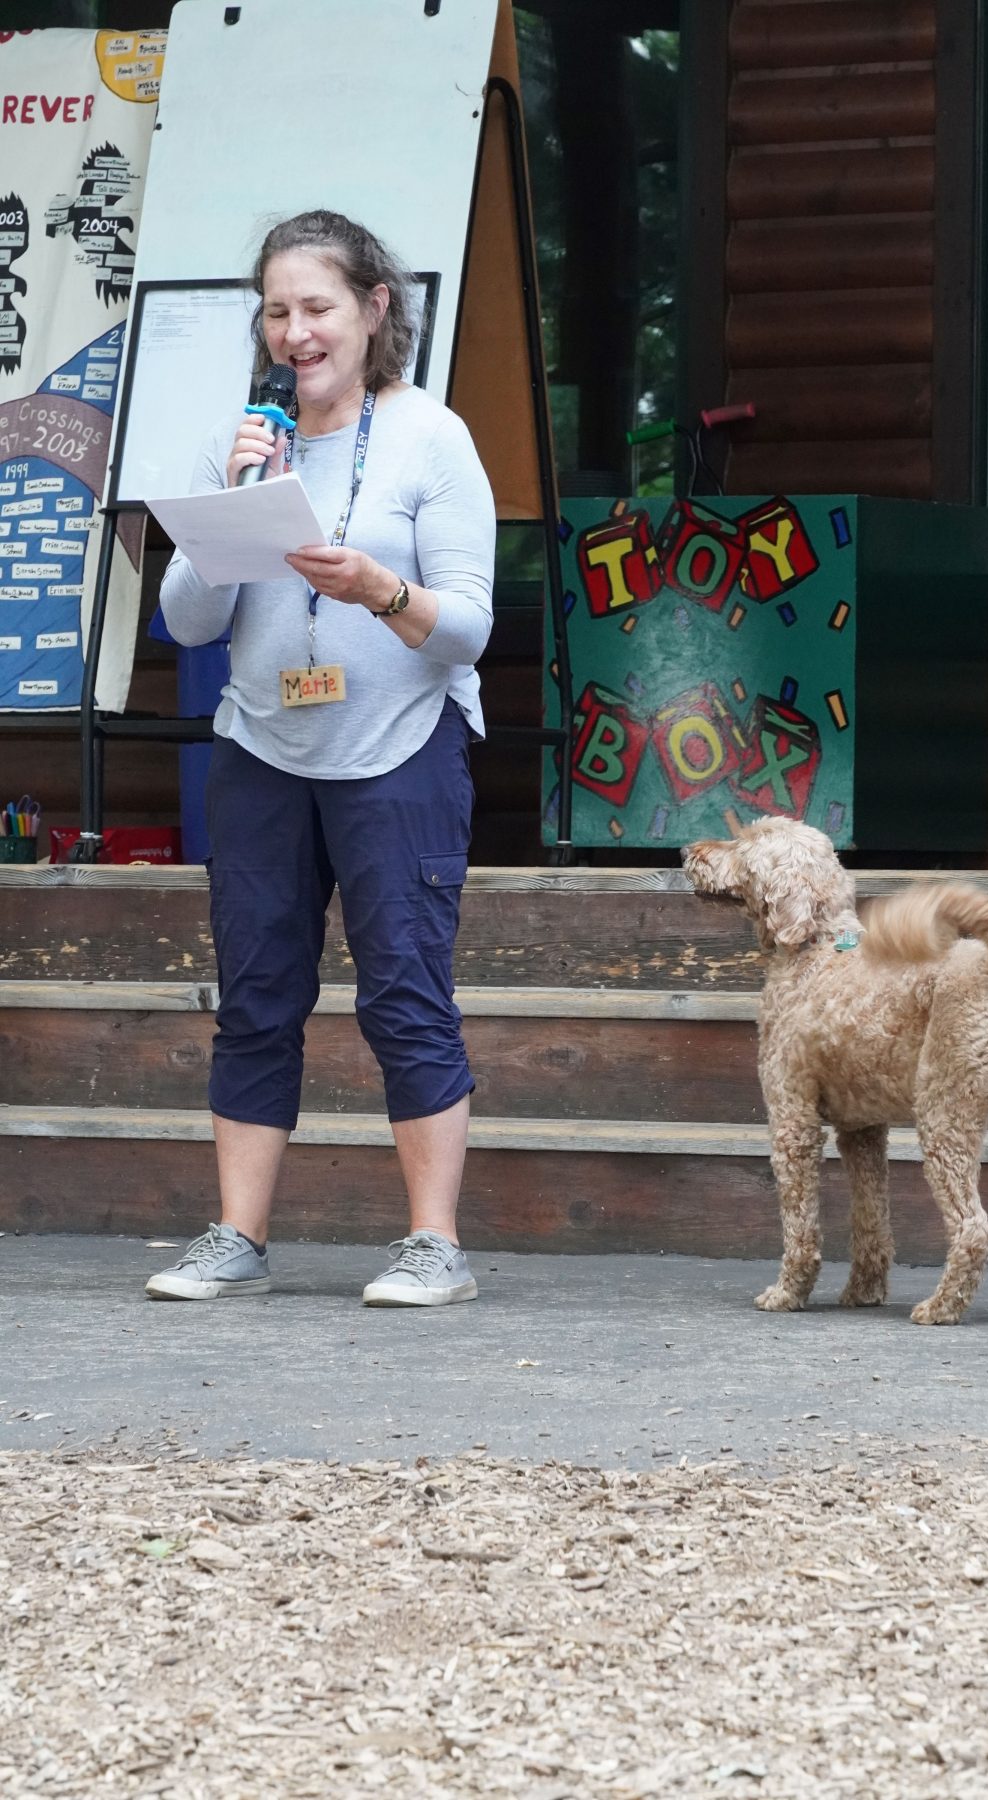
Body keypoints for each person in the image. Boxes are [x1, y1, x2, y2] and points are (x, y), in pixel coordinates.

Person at [146, 210, 494, 1308]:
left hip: (399, 751)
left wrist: (379, 592)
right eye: (278, 311)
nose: (297, 332)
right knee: (257, 993)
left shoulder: (431, 438)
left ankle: (434, 1244)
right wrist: (239, 504)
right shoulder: (241, 437)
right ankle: (237, 1237)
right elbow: (190, 624)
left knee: (403, 992)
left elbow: (470, 628)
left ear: (374, 310)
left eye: (318, 308)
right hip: (263, 746)